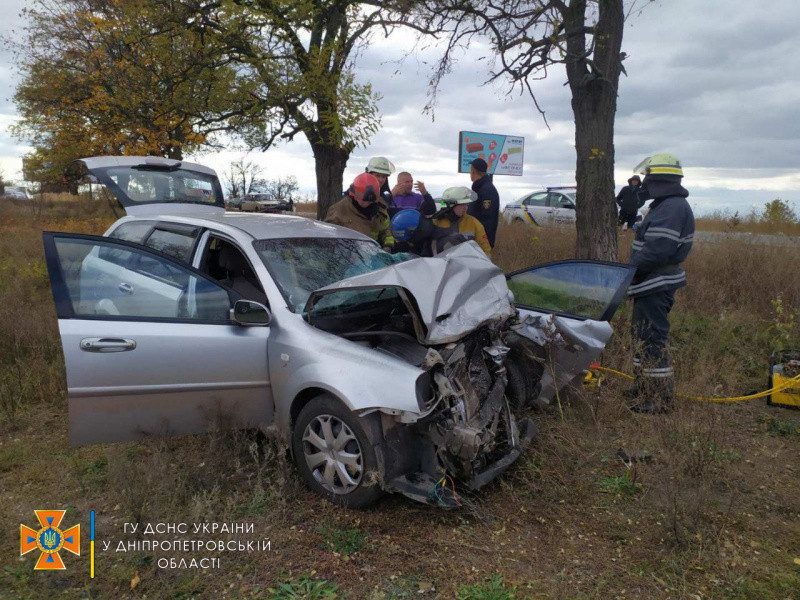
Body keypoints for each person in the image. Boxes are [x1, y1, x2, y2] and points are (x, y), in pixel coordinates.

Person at [626, 153, 695, 414]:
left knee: (652, 340)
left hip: (655, 284)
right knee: (642, 336)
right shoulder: (664, 205)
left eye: (648, 177)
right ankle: (642, 388)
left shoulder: (672, 208)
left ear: (660, 180)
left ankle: (657, 398)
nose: (644, 183)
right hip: (649, 284)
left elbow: (657, 251)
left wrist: (629, 272)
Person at [410, 186, 491, 256]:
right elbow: (422, 250)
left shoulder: (473, 223)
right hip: (438, 266)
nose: (466, 208)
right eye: (462, 204)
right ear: (451, 205)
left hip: (466, 266)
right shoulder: (434, 222)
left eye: (467, 204)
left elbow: (485, 249)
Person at [325, 172, 396, 249]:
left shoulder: (380, 208)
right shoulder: (338, 210)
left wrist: (387, 246)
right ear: (353, 194)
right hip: (349, 252)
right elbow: (328, 239)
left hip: (374, 252)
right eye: (363, 200)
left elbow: (386, 230)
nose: (366, 204)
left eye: (370, 201)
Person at [468, 158, 500, 248]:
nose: (469, 173)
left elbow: (488, 220)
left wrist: (484, 243)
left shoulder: (487, 190)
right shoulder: (478, 188)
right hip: (475, 239)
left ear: (473, 171)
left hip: (481, 242)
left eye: (470, 171)